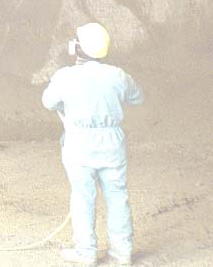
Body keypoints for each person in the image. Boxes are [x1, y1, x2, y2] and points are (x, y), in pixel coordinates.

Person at [42, 22, 144, 266]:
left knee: (82, 196)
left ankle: (86, 253)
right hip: (112, 142)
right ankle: (122, 254)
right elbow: (137, 97)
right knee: (118, 196)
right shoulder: (118, 75)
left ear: (77, 48)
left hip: (79, 143)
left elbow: (48, 101)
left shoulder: (66, 76)